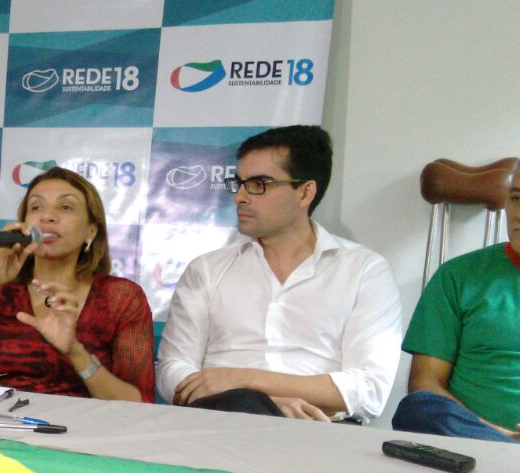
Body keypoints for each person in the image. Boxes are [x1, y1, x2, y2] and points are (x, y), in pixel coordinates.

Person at [156, 125, 401, 421]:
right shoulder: (207, 269)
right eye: (240, 183)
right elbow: (171, 370)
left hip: (319, 430)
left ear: (305, 192)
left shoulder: (364, 271)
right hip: (219, 420)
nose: (240, 197)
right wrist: (263, 403)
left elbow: (369, 390)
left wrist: (242, 380)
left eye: (258, 184)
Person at [393, 135, 520, 450]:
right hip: (476, 450)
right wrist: (502, 439)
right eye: (517, 198)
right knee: (419, 408)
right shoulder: (459, 277)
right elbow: (425, 384)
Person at [0, 167, 154, 402]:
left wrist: (76, 353)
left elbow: (138, 403)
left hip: (79, 424)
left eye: (65, 207)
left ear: (90, 231)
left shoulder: (121, 296)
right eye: (36, 207)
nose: (47, 216)